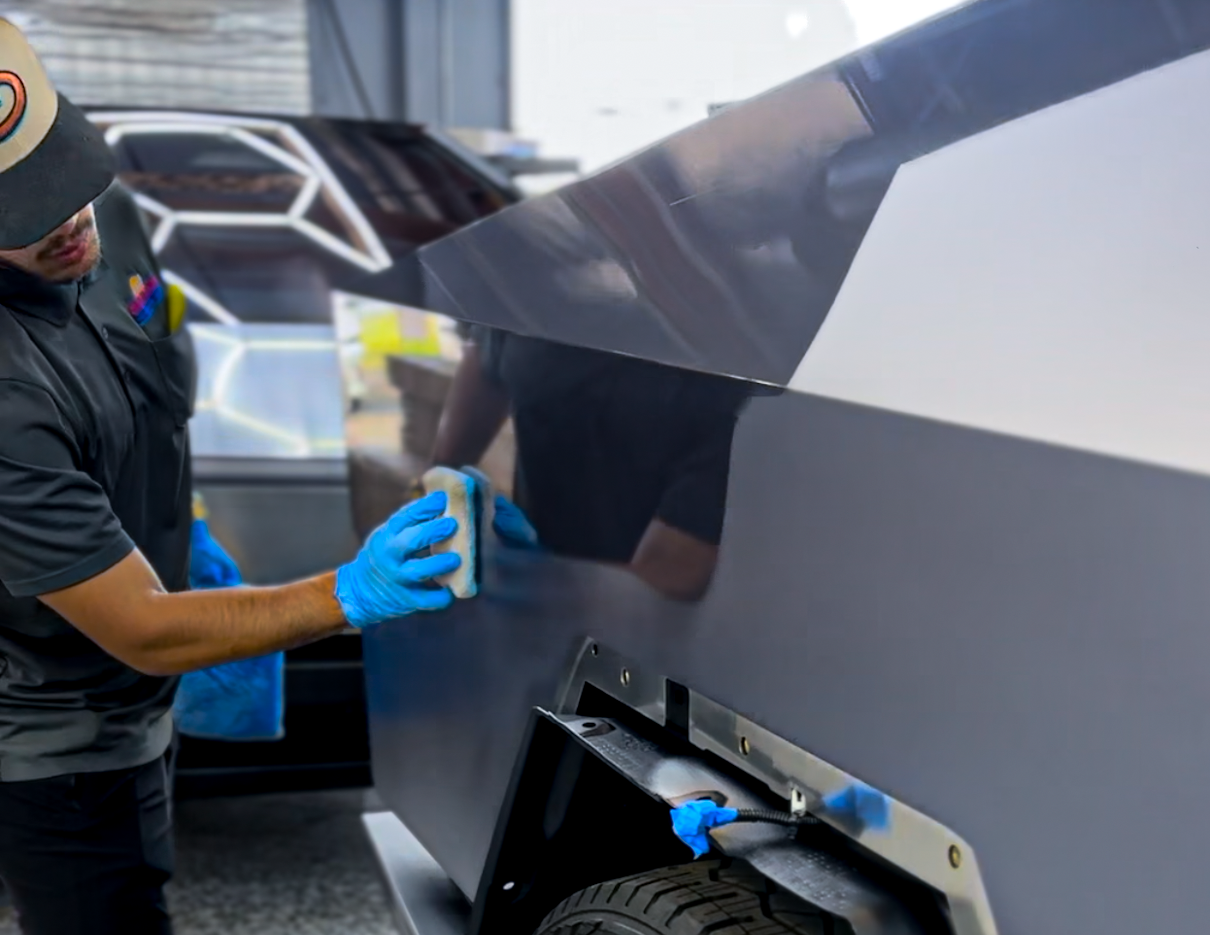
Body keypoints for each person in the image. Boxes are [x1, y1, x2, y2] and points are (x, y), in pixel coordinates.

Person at [0, 21, 464, 935]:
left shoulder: (105, 217)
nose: (67, 220)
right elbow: (140, 629)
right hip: (61, 739)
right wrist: (350, 591)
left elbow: (155, 361)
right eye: (21, 214)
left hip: (135, 680)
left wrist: (182, 510)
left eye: (63, 175)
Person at [431, 327, 749, 601]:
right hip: (541, 594)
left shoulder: (732, 377)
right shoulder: (541, 287)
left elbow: (671, 572)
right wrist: (440, 490)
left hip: (659, 642)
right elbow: (490, 354)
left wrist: (500, 585)